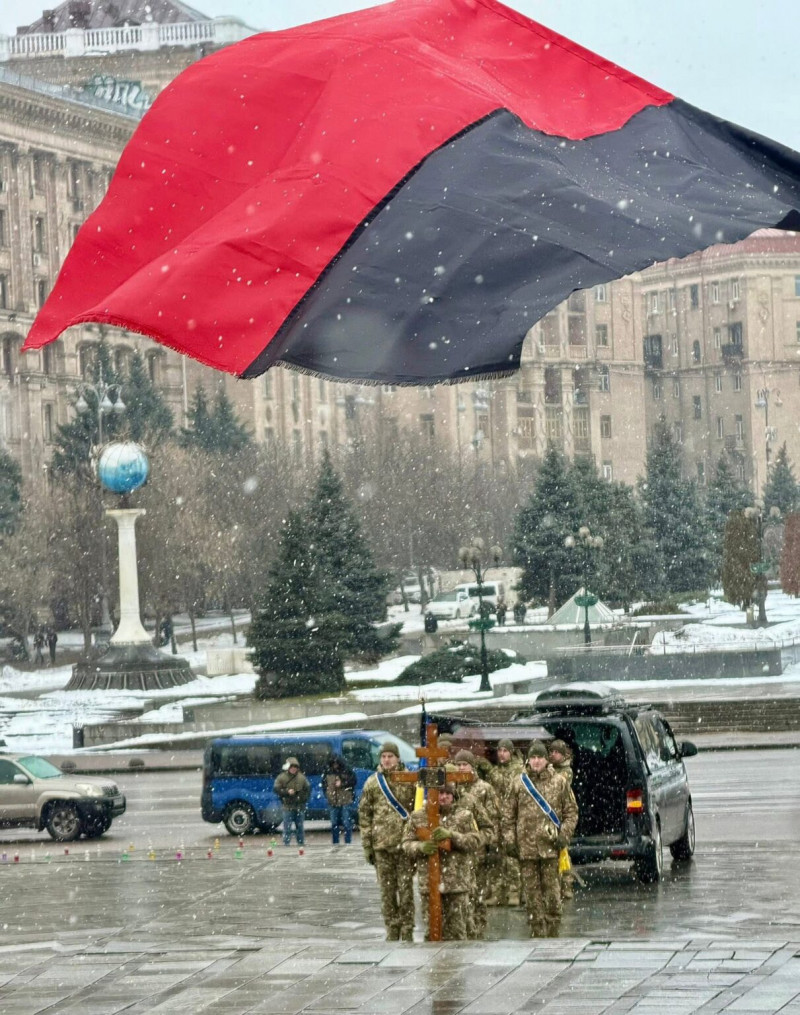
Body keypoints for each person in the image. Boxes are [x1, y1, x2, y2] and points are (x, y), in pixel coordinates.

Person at [503, 740, 578, 938]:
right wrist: (510, 841)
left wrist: (564, 835)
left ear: (547, 760)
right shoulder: (518, 783)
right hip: (526, 849)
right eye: (533, 757)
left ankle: (553, 932)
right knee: (531, 895)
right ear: (528, 759)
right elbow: (508, 816)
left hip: (550, 847)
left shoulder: (559, 782)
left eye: (540, 757)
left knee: (552, 894)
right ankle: (537, 931)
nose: (536, 761)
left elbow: (571, 812)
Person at [403, 781, 480, 940]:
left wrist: (452, 835)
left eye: (447, 793)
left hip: (456, 884)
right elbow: (406, 843)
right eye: (440, 793)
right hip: (429, 883)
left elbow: (475, 841)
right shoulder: (418, 816)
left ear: (453, 796)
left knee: (458, 931)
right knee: (432, 932)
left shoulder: (464, 815)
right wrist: (420, 847)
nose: (443, 797)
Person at [358, 741, 417, 942]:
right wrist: (367, 845)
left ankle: (407, 929)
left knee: (406, 892)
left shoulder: (409, 779)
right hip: (382, 846)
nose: (386, 760)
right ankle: (392, 929)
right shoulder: (373, 783)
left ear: (398, 758)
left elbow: (417, 810)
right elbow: (365, 816)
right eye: (383, 756)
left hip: (404, 846)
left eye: (390, 756)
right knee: (387, 893)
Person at [453, 750, 500, 938]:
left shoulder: (484, 788)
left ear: (472, 767)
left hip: (477, 849)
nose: (461, 768)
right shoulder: (451, 788)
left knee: (478, 891)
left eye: (464, 764)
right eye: (458, 765)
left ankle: (478, 928)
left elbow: (493, 818)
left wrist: (492, 845)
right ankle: (463, 926)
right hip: (457, 850)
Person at [488, 738, 524, 906]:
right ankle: (498, 892)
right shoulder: (496, 770)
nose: (501, 754)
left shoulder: (518, 770)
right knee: (497, 857)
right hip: (497, 818)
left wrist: (490, 771)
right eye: (499, 751)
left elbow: (507, 786)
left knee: (512, 856)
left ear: (511, 752)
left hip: (511, 818)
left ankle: (514, 891)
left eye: (505, 751)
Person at [548, 739, 576, 899]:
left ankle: (567, 885)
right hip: (552, 813)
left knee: (563, 852)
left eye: (556, 752)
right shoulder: (553, 768)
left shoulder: (566, 771)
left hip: (560, 815)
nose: (553, 755)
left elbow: (558, 783)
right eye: (551, 752)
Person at [274, 756, 310, 847]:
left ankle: (301, 843)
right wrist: (287, 792)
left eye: (295, 767)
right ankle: (286, 844)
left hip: (299, 806)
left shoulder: (302, 778)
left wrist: (301, 798)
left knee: (300, 827)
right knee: (287, 827)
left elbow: (307, 790)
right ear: (288, 767)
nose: (293, 769)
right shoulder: (282, 777)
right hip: (287, 806)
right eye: (292, 767)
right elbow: (276, 789)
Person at [324, 754, 356, 845]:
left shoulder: (347, 771)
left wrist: (342, 784)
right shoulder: (328, 772)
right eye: (333, 763)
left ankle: (347, 842)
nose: (335, 765)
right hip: (333, 801)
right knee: (334, 823)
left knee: (346, 823)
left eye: (336, 763)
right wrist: (328, 795)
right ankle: (336, 843)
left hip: (345, 800)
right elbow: (324, 786)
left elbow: (353, 782)